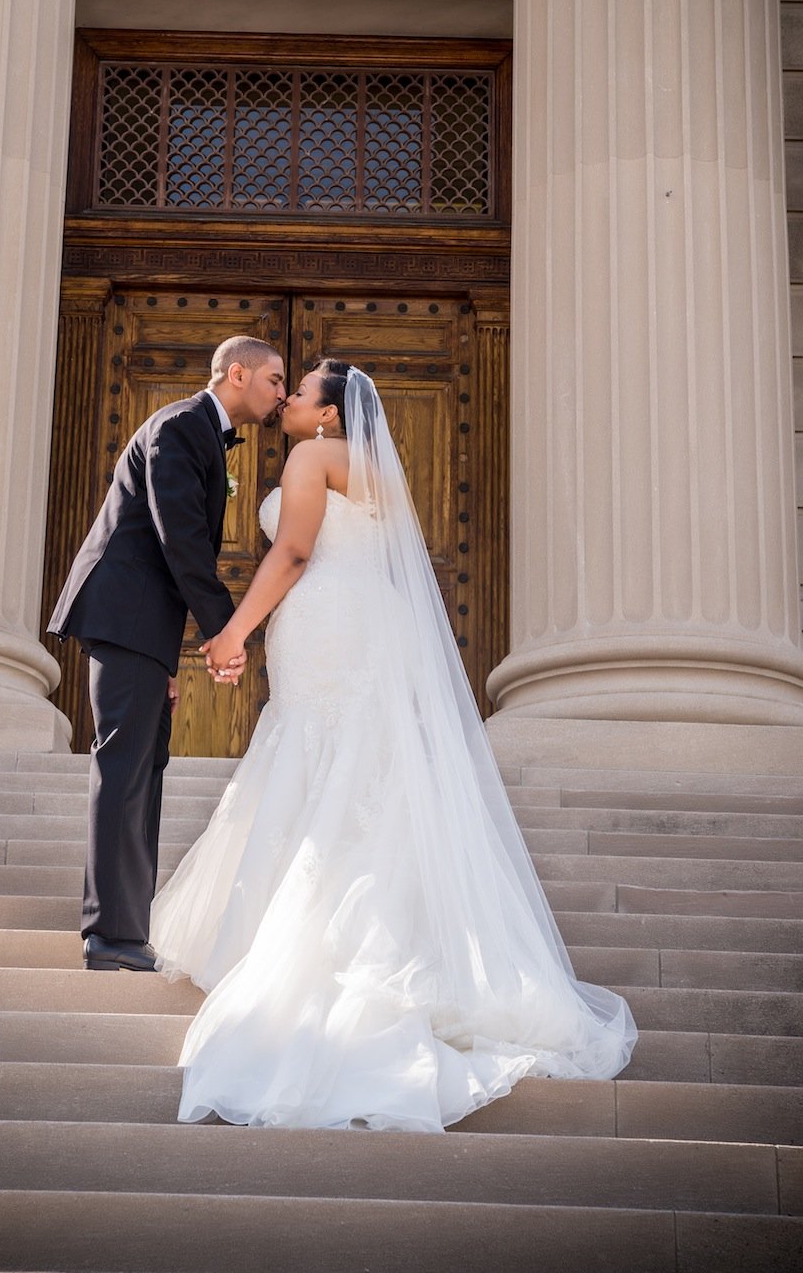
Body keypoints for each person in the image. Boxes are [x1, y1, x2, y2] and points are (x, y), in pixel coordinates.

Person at [150, 359, 637, 1131]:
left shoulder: (314, 457)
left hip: (328, 620)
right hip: (363, 623)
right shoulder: (381, 474)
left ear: (330, 416)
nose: (288, 401)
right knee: (355, 764)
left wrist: (233, 631)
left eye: (300, 391)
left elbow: (296, 553)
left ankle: (304, 938)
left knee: (318, 751)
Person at [48, 336, 285, 972]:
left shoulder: (201, 434)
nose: (282, 393)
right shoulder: (181, 426)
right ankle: (110, 937)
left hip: (141, 629)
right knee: (123, 769)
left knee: (143, 771)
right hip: (124, 619)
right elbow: (178, 536)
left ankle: (128, 931)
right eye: (275, 380)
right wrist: (223, 633)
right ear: (237, 374)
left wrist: (168, 657)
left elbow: (168, 550)